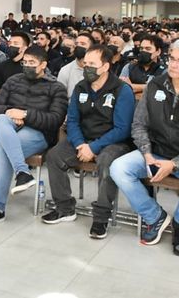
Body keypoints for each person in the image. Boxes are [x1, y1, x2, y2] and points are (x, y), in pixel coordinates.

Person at [110, 39, 179, 256]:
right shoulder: (155, 85)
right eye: (172, 58)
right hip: (156, 151)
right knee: (119, 168)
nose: (174, 64)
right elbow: (139, 124)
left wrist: (175, 163)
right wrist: (147, 153)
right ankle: (155, 217)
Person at [43, 45, 135, 238]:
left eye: (92, 64)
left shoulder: (122, 90)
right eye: (85, 64)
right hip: (82, 139)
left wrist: (93, 147)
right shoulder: (80, 87)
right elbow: (73, 120)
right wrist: (80, 145)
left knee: (106, 161)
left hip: (113, 142)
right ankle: (65, 208)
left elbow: (122, 129)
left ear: (105, 67)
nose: (87, 68)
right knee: (54, 156)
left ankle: (101, 217)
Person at [0, 45, 68, 227]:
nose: (27, 66)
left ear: (43, 65)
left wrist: (25, 115)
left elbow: (55, 120)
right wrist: (11, 112)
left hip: (38, 134)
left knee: (3, 150)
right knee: (0, 118)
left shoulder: (56, 87)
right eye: (25, 62)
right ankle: (22, 172)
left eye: (32, 63)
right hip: (9, 127)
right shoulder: (13, 80)